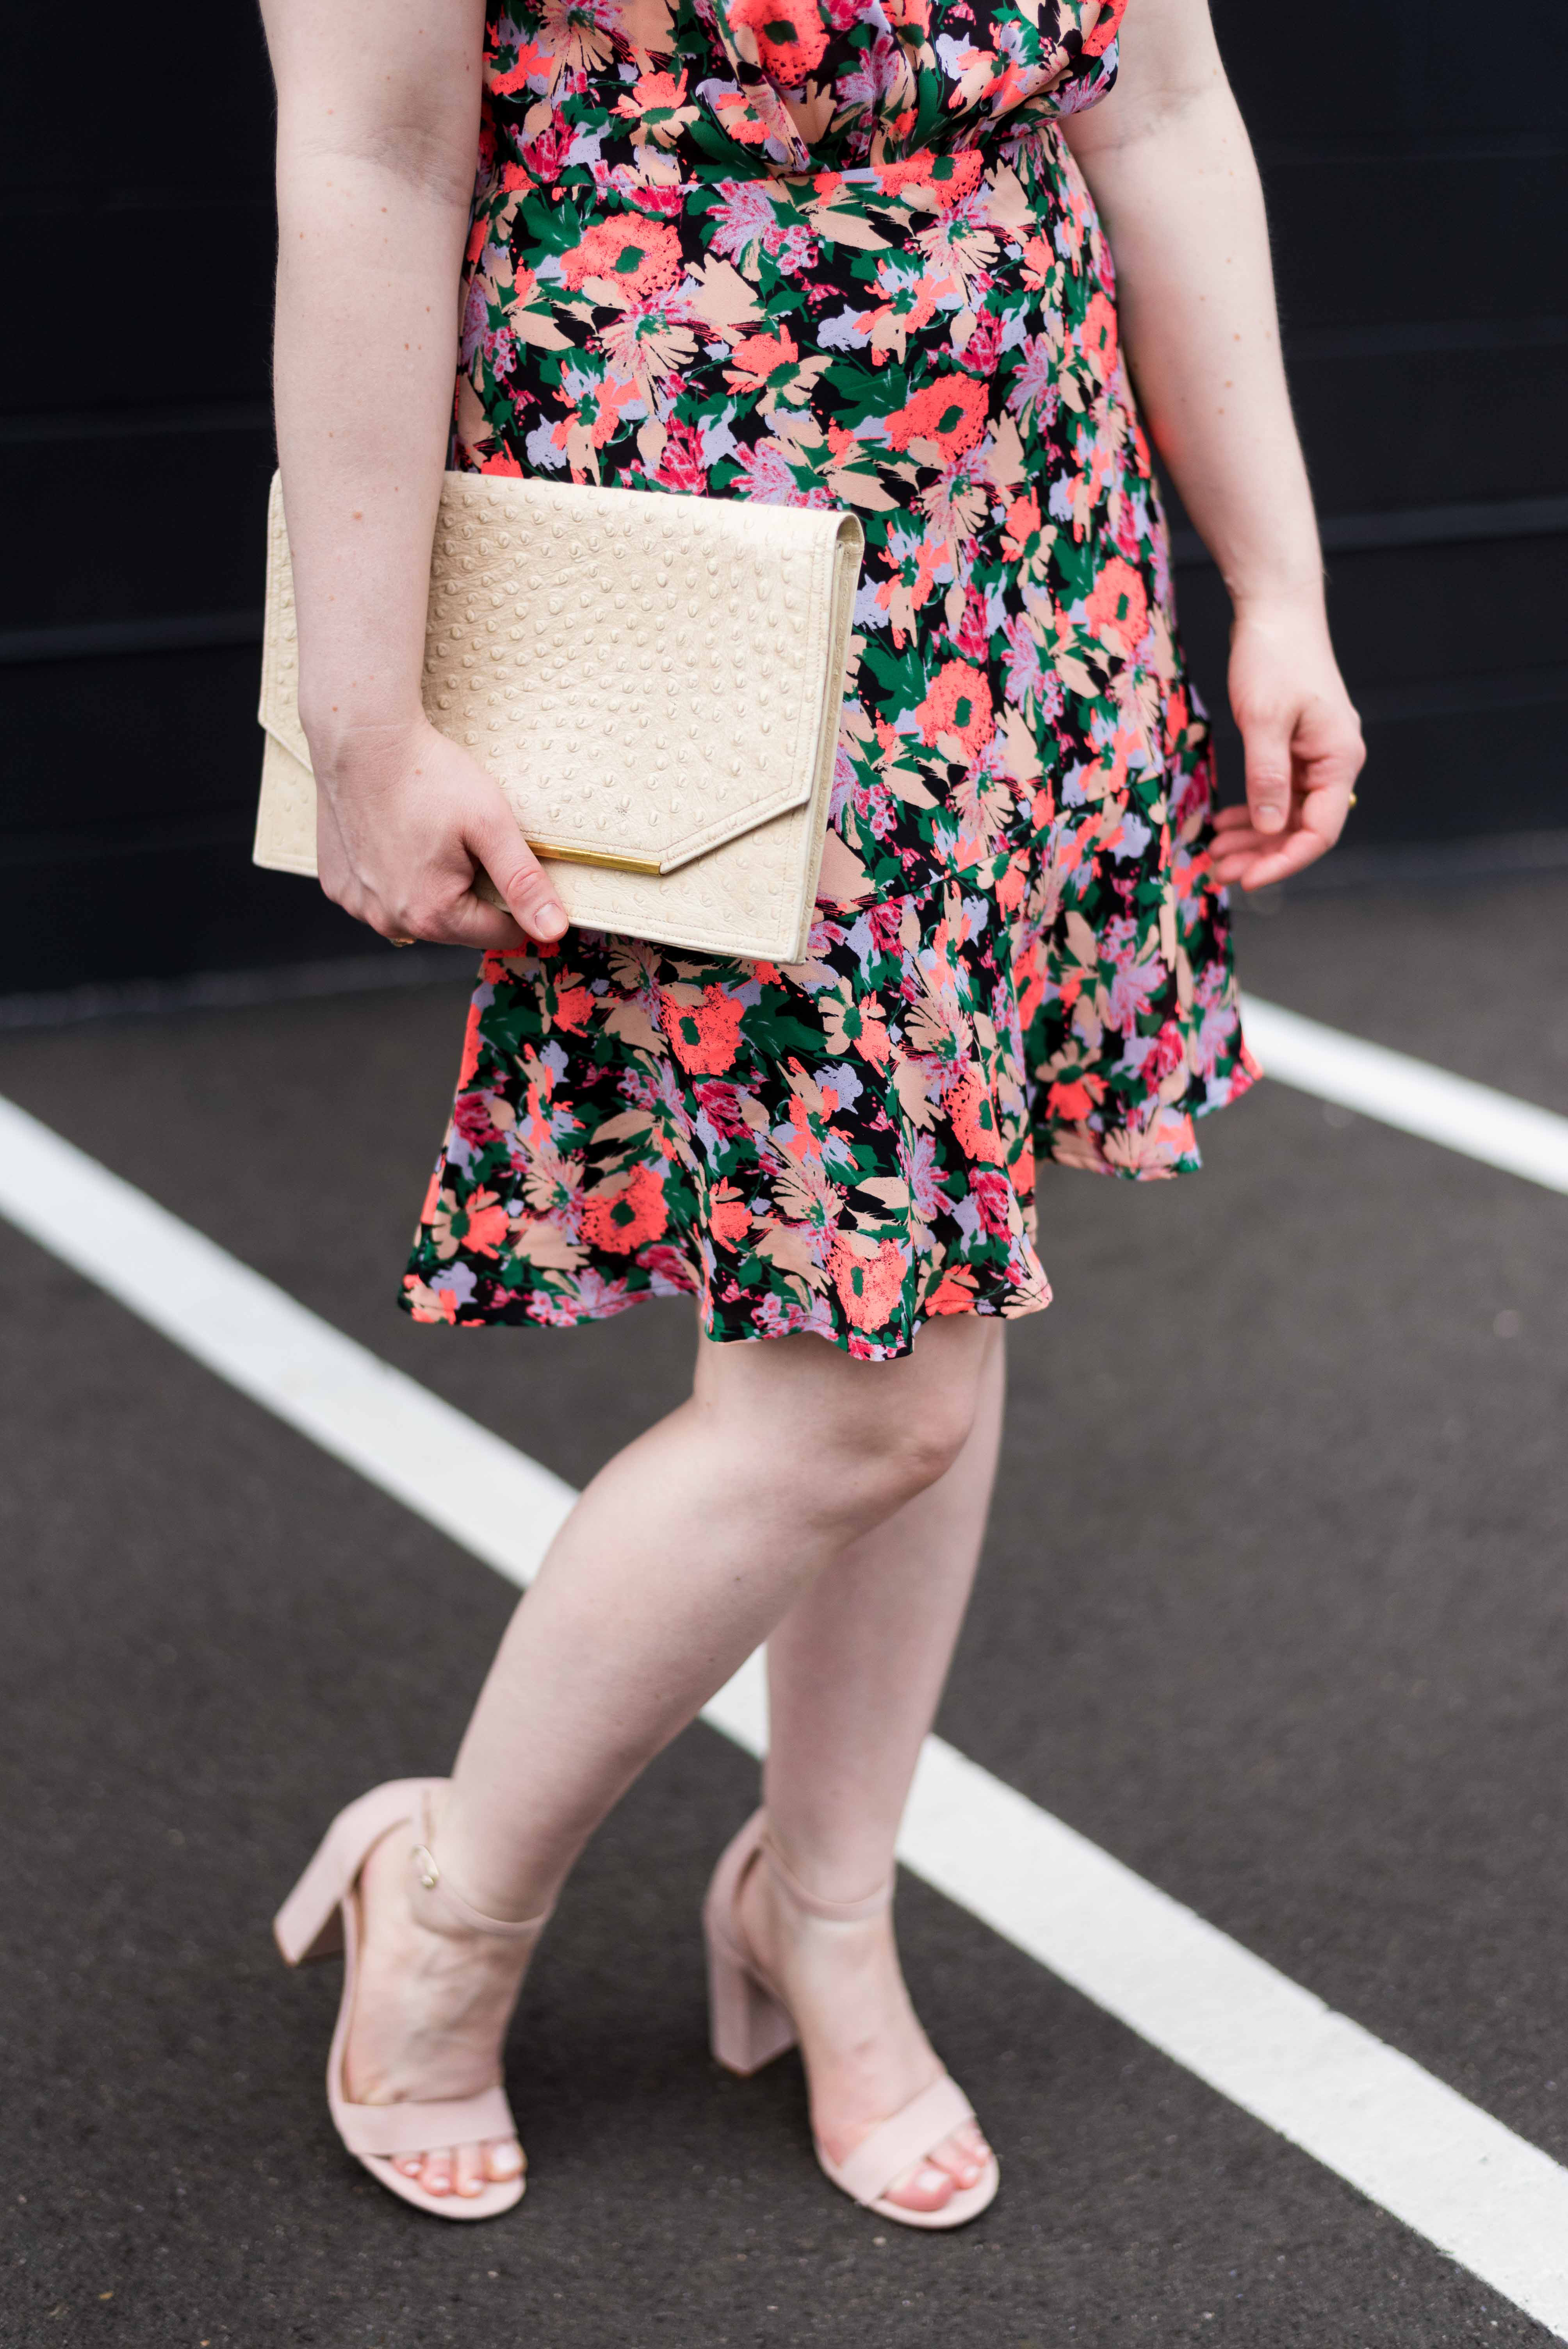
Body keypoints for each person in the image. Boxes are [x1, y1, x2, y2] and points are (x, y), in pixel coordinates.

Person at [262, 0, 1363, 2227]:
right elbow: (371, 157)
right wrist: (370, 712)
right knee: (872, 1394)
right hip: (696, 556)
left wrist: (1284, 582)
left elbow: (1157, 102)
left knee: (921, 1302)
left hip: (1019, 547)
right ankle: (448, 1891)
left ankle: (824, 1905)